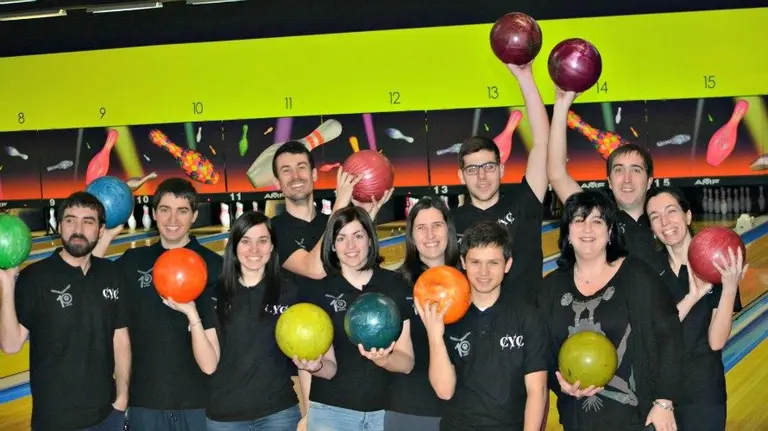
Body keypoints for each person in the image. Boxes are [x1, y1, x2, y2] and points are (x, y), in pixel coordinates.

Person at [537, 190, 682, 431]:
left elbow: (670, 336)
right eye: (579, 220)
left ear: (610, 231)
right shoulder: (550, 288)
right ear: (568, 233)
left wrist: (664, 401)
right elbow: (542, 351)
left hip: (637, 419)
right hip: (578, 421)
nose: (587, 229)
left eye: (597, 221)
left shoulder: (637, 276)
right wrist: (558, 381)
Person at [93, 178, 222, 430]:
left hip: (201, 401)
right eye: (165, 209)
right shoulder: (133, 261)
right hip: (145, 401)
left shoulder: (215, 266)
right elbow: (87, 278)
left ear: (195, 215)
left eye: (182, 210)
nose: (172, 219)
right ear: (153, 213)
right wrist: (106, 236)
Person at [0, 191, 130, 431]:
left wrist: (122, 398)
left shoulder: (112, 274)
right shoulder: (35, 277)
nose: (78, 230)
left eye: (88, 222)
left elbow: (120, 338)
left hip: (107, 414)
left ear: (101, 230)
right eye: (70, 220)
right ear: (59, 225)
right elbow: (10, 345)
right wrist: (7, 284)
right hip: (54, 420)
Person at [205, 211, 336, 430]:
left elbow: (305, 353)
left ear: (273, 246)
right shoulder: (214, 294)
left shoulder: (291, 292)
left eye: (262, 241)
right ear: (233, 246)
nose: (254, 250)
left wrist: (309, 413)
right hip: (224, 415)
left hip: (278, 413)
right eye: (245, 241)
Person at [419, 220, 549, 431]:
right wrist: (434, 336)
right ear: (463, 262)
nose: (484, 272)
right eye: (475, 262)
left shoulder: (527, 316)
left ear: (508, 264)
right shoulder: (448, 316)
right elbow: (444, 391)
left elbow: (537, 390)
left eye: (493, 263)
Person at [298, 205, 414, 431]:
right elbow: (329, 367)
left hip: (386, 414)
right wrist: (316, 366)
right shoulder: (317, 292)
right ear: (332, 245)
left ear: (370, 239)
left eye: (358, 236)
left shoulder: (395, 285)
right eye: (341, 238)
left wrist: (384, 360)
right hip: (332, 413)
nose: (350, 246)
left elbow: (406, 362)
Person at [645, 187, 746, 431]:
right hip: (657, 392)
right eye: (655, 217)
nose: (665, 222)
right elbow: (651, 333)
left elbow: (716, 342)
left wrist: (729, 287)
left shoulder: (718, 265)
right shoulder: (647, 271)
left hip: (704, 391)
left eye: (671, 211)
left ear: (688, 216)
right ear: (651, 228)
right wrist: (691, 297)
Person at [450, 62, 550, 302]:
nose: (482, 176)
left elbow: (542, 144)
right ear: (461, 176)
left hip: (527, 320)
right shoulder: (449, 223)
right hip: (474, 322)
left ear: (501, 169)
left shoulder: (524, 203)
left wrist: (525, 78)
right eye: (472, 169)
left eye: (489, 167)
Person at [547, 89, 662, 270]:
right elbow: (557, 174)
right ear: (609, 180)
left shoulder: (665, 220)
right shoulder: (598, 216)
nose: (627, 179)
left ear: (649, 181)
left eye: (635, 170)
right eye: (619, 170)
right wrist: (561, 107)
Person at [386, 196, 460, 430]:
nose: (430, 235)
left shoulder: (471, 281)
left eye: (437, 225)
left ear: (448, 230)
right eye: (421, 228)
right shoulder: (397, 285)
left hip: (465, 411)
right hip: (412, 410)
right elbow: (401, 355)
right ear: (412, 236)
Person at [269, 141, 392, 279]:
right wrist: (340, 204)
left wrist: (364, 222)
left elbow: (361, 270)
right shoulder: (272, 230)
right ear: (277, 183)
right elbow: (315, 270)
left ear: (314, 174)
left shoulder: (336, 223)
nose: (296, 176)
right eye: (286, 170)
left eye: (301, 167)